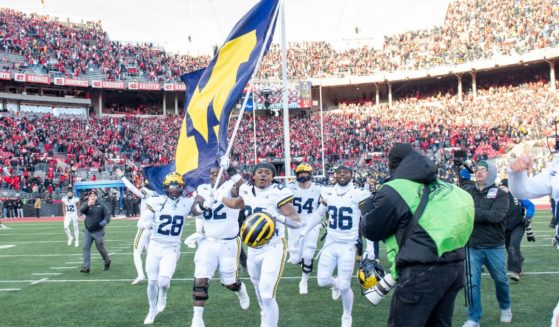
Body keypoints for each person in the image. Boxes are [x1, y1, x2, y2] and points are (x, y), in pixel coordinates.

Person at [360, 143, 474, 327]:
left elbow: (372, 229)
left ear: (394, 164)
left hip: (421, 270)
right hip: (454, 267)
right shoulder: (449, 188)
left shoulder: (395, 189)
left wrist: (366, 210)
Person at [220, 162, 301, 327]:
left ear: (272, 177)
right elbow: (236, 203)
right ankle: (264, 313)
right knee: (257, 285)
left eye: (267, 173)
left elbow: (297, 222)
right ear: (254, 176)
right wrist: (218, 197)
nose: (263, 175)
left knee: (266, 292)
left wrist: (278, 217)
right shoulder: (247, 190)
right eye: (260, 172)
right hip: (252, 248)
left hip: (273, 246)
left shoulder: (279, 193)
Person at [298, 165, 372, 327]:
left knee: (345, 286)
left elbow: (367, 219)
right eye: (339, 173)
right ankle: (336, 284)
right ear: (335, 175)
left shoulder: (358, 194)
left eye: (346, 173)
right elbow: (319, 214)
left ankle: (346, 315)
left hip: (348, 245)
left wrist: (370, 247)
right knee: (322, 281)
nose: (342, 175)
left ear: (351, 175)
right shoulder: (329, 193)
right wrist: (305, 230)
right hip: (330, 243)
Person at [185, 166, 249, 327]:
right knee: (200, 279)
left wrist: (232, 170)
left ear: (223, 174)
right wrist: (203, 206)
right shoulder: (204, 188)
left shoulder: (229, 186)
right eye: (212, 173)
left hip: (228, 242)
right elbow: (194, 211)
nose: (214, 175)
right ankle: (197, 319)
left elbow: (244, 189)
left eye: (217, 173)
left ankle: (240, 290)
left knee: (229, 283)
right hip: (208, 241)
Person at [139, 172, 198, 325]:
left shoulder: (187, 203)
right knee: (152, 281)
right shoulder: (155, 201)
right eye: (171, 186)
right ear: (165, 187)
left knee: (163, 282)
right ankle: (151, 310)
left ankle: (163, 295)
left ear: (182, 187)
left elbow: (201, 210)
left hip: (172, 247)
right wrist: (146, 224)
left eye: (176, 186)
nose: (173, 189)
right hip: (155, 245)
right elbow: (141, 222)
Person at [463, 160, 511, 326]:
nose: (479, 172)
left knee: (501, 280)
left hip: (494, 246)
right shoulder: (468, 191)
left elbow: (495, 216)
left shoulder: (501, 194)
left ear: (491, 173)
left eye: (484, 169)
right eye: (478, 169)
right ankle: (473, 318)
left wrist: (472, 212)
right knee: (471, 283)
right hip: (472, 245)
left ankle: (505, 307)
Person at [286, 163, 324, 295]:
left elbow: (325, 205)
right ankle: (301, 261)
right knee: (296, 259)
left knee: (308, 255)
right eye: (300, 173)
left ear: (310, 174)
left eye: (305, 173)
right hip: (294, 226)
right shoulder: (289, 188)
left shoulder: (318, 189)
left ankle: (304, 281)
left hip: (311, 225)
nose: (302, 175)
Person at [116, 168, 155, 286]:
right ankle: (154, 273)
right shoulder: (160, 193)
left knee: (136, 252)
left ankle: (141, 275)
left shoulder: (146, 192)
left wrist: (123, 177)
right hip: (154, 226)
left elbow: (133, 189)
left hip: (144, 225)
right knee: (151, 252)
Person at [498, 178, 535, 281]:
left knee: (513, 246)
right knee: (509, 248)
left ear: (509, 188)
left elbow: (530, 206)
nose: (502, 189)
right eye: (500, 187)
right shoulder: (496, 197)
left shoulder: (517, 196)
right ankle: (519, 259)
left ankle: (515, 272)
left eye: (504, 187)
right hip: (504, 227)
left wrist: (528, 217)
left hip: (518, 225)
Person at [79, 191, 112, 274]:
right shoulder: (86, 204)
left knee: (100, 249)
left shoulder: (101, 205)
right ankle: (86, 267)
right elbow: (81, 210)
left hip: (98, 231)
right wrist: (87, 205)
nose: (93, 197)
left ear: (97, 197)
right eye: (91, 196)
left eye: (94, 196)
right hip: (88, 231)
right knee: (85, 247)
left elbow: (108, 215)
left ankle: (107, 261)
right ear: (88, 197)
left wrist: (104, 222)